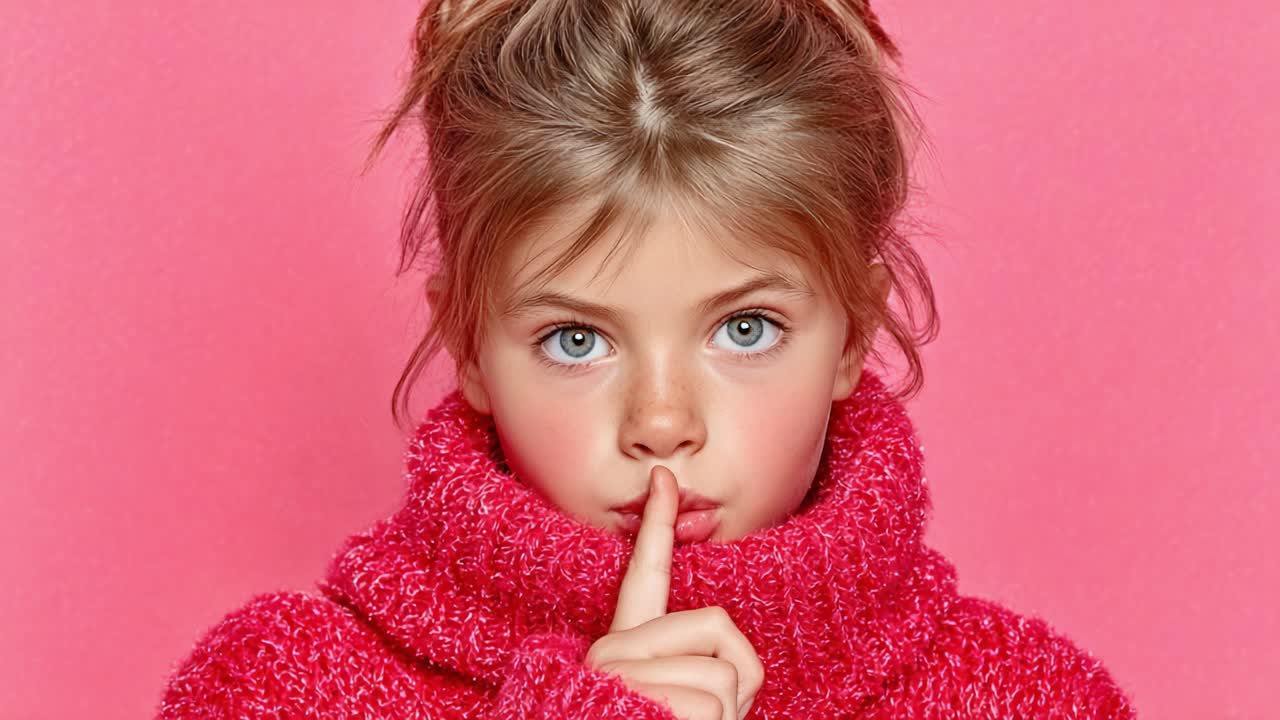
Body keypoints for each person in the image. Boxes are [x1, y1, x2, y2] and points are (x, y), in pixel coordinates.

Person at [155, 1, 1137, 718]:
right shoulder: (283, 688)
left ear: (849, 331)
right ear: (469, 347)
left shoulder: (1026, 701)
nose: (661, 419)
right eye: (574, 340)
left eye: (743, 329)